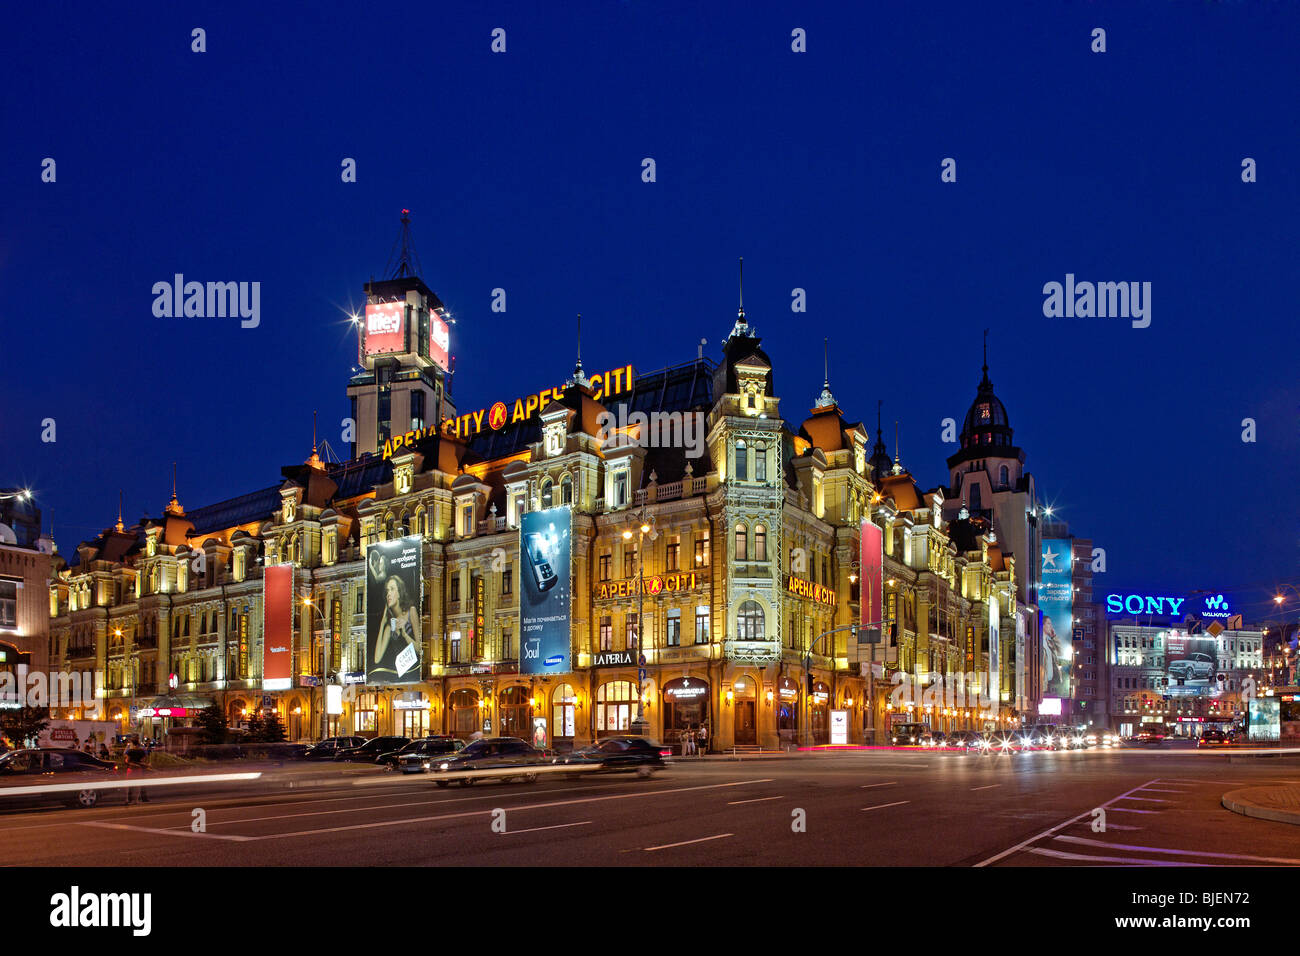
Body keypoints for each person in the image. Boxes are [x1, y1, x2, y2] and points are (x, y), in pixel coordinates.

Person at [371, 575, 421, 681]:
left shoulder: (411, 612)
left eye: (392, 589)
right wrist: (382, 624)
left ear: (399, 593)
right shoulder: (390, 625)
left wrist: (405, 635)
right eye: (387, 590)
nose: (388, 594)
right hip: (399, 676)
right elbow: (377, 658)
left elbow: (419, 649)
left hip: (415, 673)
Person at [124, 739, 150, 804]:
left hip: (130, 769)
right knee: (137, 785)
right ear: (138, 744)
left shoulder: (130, 751)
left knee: (127, 784)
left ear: (133, 744)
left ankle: (127, 799)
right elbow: (144, 759)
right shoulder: (142, 751)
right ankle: (136, 800)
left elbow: (127, 760)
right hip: (138, 770)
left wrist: (129, 763)